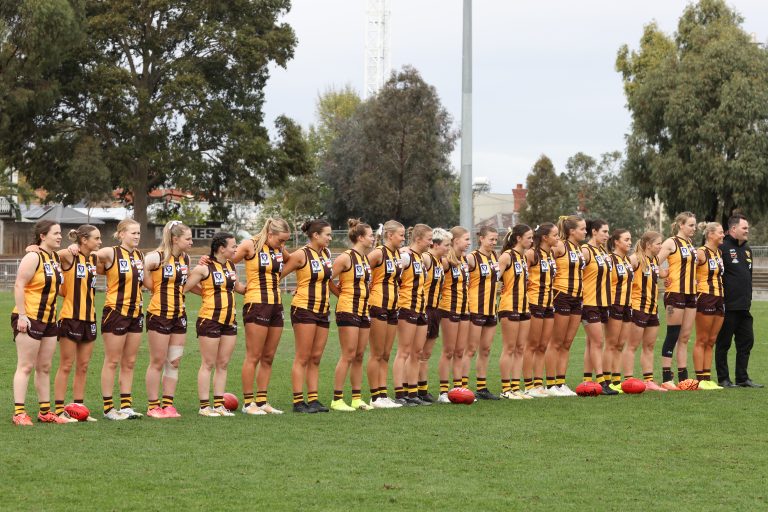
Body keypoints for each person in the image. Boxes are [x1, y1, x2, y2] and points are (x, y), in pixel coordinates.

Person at [11, 221, 67, 426]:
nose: (60, 236)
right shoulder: (33, 256)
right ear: (43, 236)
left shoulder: (53, 257)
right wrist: (23, 316)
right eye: (56, 233)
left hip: (50, 320)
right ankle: (19, 413)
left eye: (61, 233)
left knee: (44, 367)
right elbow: (19, 284)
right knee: (25, 366)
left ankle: (45, 412)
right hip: (30, 316)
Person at [184, 232, 246, 416]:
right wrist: (204, 293)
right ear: (221, 248)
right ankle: (205, 407)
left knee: (223, 363)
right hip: (210, 319)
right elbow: (185, 287)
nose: (236, 249)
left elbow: (238, 287)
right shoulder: (204, 268)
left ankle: (218, 405)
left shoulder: (231, 266)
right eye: (233, 246)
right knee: (208, 363)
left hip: (230, 320)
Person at [234, 218, 291, 415]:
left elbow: (291, 261)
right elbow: (224, 261)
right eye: (281, 240)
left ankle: (261, 401)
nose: (283, 245)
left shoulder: (278, 249)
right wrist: (238, 286)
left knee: (268, 357)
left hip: (276, 304)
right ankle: (248, 402)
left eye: (286, 242)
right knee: (254, 355)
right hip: (256, 304)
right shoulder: (250, 244)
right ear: (271, 234)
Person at [282, 219, 334, 413]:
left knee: (316, 357)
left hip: (323, 309)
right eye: (327, 234)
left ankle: (313, 399)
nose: (330, 238)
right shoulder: (300, 255)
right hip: (304, 308)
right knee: (302, 357)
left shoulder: (326, 253)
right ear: (315, 235)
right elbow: (278, 275)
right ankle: (298, 401)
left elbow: (327, 279)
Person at [143, 220, 193, 418]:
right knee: (157, 361)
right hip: (159, 314)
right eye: (187, 238)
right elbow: (141, 273)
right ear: (175, 239)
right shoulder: (156, 257)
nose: (191, 242)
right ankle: (153, 406)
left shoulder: (186, 259)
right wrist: (151, 286)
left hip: (179, 315)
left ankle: (168, 404)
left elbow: (185, 284)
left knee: (174, 361)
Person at [53, 225, 102, 422]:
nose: (99, 242)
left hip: (89, 318)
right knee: (66, 364)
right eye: (96, 238)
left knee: (83, 366)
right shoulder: (69, 255)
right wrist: (34, 248)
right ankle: (58, 410)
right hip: (70, 317)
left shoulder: (93, 258)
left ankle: (77, 408)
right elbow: (47, 256)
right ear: (83, 240)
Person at [97, 219, 145, 420]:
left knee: (130, 361)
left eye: (139, 233)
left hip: (136, 313)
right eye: (133, 232)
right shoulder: (111, 252)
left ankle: (126, 406)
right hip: (116, 311)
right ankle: (109, 408)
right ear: (121, 234)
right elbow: (88, 253)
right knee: (112, 360)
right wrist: (74, 247)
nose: (137, 236)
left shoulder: (139, 255)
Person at [329, 219, 375, 412]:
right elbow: (326, 278)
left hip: (364, 310)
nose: (373, 238)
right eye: (371, 235)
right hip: (348, 309)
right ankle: (337, 399)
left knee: (358, 355)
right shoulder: (346, 257)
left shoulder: (365, 258)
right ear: (361, 237)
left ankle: (356, 398)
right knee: (348, 354)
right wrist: (340, 294)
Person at [715, 214, 763, 388]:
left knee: (746, 342)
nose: (747, 231)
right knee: (724, 344)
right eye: (744, 228)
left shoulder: (748, 249)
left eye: (747, 228)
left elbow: (747, 277)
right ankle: (723, 379)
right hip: (728, 307)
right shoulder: (721, 248)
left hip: (744, 307)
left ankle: (742, 378)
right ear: (733, 229)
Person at [545, 215, 587, 397]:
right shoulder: (560, 245)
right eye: (582, 229)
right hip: (562, 295)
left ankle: (561, 382)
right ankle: (550, 383)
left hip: (577, 298)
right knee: (556, 342)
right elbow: (544, 263)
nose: (585, 232)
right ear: (572, 231)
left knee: (567, 343)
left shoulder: (578, 249)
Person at [393, 224, 433, 406]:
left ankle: (412, 392)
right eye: (429, 239)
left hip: (420, 309)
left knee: (417, 352)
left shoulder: (421, 258)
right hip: (407, 307)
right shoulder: (406, 256)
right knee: (404, 351)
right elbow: (392, 276)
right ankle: (400, 394)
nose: (431, 243)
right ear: (418, 239)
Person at [622, 231, 668, 391]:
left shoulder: (655, 260)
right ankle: (628, 379)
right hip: (637, 308)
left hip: (652, 308)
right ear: (648, 245)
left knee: (649, 345)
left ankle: (649, 381)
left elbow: (661, 275)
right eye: (658, 244)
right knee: (632, 345)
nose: (661, 246)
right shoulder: (635, 259)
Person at [366, 220, 405, 408]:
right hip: (377, 305)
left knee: (386, 354)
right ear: (390, 235)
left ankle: (383, 394)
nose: (404, 239)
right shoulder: (377, 253)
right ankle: (375, 397)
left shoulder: (397, 254)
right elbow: (361, 274)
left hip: (392, 306)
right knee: (377, 353)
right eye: (401, 235)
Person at [657, 212, 697, 390]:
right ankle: (666, 377)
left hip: (691, 293)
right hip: (675, 293)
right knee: (673, 334)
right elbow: (653, 262)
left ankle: (683, 378)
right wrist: (663, 274)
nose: (694, 228)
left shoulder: (690, 244)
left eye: (694, 225)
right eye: (690, 225)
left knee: (685, 336)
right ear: (681, 225)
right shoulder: (671, 242)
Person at [579, 219, 618, 395]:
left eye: (608, 231)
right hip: (589, 302)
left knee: (591, 342)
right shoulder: (585, 251)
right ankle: (602, 381)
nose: (607, 235)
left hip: (603, 302)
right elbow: (574, 273)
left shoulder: (602, 251)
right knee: (597, 341)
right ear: (593, 232)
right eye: (604, 231)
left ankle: (587, 380)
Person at [497, 224, 533, 400]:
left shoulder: (524, 257)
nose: (532, 241)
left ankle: (515, 387)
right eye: (529, 237)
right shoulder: (506, 256)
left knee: (520, 348)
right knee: (509, 347)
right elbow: (494, 279)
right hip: (509, 305)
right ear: (518, 238)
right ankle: (505, 389)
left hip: (524, 306)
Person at [464, 226, 501, 400]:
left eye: (496, 239)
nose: (494, 242)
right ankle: (462, 386)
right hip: (475, 309)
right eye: (491, 239)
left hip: (491, 309)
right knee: (470, 349)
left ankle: (481, 387)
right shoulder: (472, 258)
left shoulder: (495, 257)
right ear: (481, 239)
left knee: (485, 349)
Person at [522, 223, 558, 398]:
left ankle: (538, 383)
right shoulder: (531, 254)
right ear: (545, 237)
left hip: (548, 304)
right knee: (532, 345)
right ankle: (529, 384)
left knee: (543, 345)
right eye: (555, 235)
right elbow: (522, 277)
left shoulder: (550, 254)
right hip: (534, 303)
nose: (558, 238)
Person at [436, 226, 471, 402]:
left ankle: (459, 389)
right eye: (466, 239)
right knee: (448, 351)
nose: (469, 243)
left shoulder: (465, 260)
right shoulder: (445, 262)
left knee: (460, 351)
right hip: (449, 308)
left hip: (465, 309)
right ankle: (443, 392)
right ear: (455, 241)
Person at [693, 222, 725, 390]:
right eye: (720, 232)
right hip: (705, 297)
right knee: (702, 339)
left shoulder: (718, 253)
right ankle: (700, 380)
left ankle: (707, 377)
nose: (723, 235)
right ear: (710, 234)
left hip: (720, 298)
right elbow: (686, 270)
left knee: (711, 340)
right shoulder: (701, 253)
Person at [421, 228, 451, 402]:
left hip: (435, 309)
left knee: (426, 354)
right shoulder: (426, 258)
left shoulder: (441, 262)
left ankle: (422, 389)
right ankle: (410, 390)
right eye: (446, 245)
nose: (448, 248)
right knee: (416, 353)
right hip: (423, 308)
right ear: (436, 244)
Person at [604, 229, 634, 392]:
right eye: (626, 239)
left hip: (627, 305)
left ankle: (616, 380)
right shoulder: (610, 260)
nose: (630, 242)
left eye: (630, 240)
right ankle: (606, 381)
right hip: (614, 304)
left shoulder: (628, 261)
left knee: (620, 344)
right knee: (611, 343)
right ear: (616, 242)